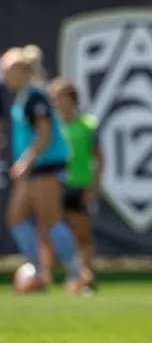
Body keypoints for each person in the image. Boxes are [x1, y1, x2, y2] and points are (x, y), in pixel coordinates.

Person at [1, 45, 91, 293]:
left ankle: (78, 274)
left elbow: (45, 134)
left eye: (8, 70)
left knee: (51, 221)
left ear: (22, 70)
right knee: (16, 217)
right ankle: (38, 269)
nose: (4, 76)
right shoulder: (22, 98)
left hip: (46, 168)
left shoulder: (36, 96)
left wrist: (25, 162)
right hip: (34, 169)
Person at [49, 77, 102, 284]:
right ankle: (51, 275)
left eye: (58, 97)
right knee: (52, 232)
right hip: (54, 185)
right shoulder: (49, 126)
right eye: (52, 97)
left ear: (71, 99)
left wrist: (94, 186)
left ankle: (87, 277)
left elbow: (99, 157)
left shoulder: (87, 124)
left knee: (82, 235)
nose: (54, 102)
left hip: (79, 185)